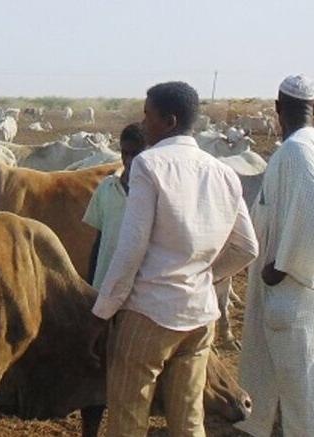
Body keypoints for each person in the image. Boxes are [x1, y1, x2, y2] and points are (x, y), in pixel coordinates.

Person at [89, 81, 259, 437]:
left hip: (149, 313)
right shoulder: (223, 172)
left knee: (128, 419)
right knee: (189, 419)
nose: (144, 122)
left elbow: (131, 248)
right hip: (200, 316)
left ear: (169, 121)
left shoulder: (149, 165)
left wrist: (103, 311)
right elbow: (247, 248)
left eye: (148, 115)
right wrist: (204, 276)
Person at [236, 74, 314, 437]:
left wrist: (280, 266)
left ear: (278, 108)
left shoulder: (295, 152)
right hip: (292, 289)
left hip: (289, 292)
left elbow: (310, 212)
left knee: (301, 391)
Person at [83, 122, 147, 288]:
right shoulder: (107, 187)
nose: (129, 160)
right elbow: (99, 240)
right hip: (105, 281)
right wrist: (91, 284)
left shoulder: (154, 192)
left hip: (139, 287)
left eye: (136, 154)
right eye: (125, 153)